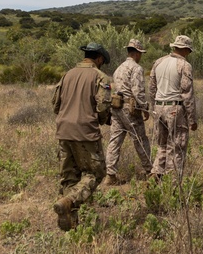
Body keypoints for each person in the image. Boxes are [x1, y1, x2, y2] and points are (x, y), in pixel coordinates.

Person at [51, 42, 112, 231]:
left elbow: (55, 104)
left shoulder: (67, 74)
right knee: (96, 172)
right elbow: (103, 106)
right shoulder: (100, 76)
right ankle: (70, 200)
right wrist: (103, 119)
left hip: (63, 130)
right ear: (99, 59)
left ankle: (71, 222)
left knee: (70, 177)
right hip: (85, 131)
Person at [148, 35, 197, 180]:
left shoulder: (158, 62)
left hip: (159, 107)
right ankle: (173, 183)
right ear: (186, 50)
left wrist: (154, 108)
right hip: (175, 108)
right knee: (177, 148)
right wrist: (192, 118)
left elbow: (151, 88)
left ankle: (156, 173)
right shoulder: (184, 65)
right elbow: (187, 93)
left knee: (162, 145)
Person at [104, 39, 151, 185]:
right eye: (140, 53)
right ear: (136, 53)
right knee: (140, 139)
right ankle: (150, 171)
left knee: (115, 140)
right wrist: (144, 108)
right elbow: (138, 91)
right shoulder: (136, 68)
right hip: (130, 109)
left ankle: (110, 175)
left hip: (116, 107)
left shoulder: (118, 68)